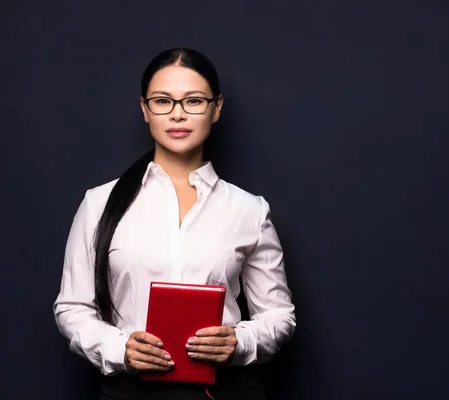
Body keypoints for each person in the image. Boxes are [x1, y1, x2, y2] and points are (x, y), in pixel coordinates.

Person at [53, 48, 296, 400]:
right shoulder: (99, 203)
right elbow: (72, 307)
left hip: (227, 391)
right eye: (163, 101)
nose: (178, 114)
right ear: (144, 109)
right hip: (131, 392)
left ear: (217, 109)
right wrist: (119, 348)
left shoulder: (249, 209)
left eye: (194, 101)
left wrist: (239, 341)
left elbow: (278, 315)